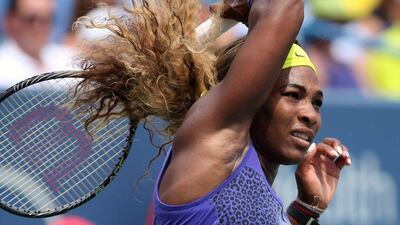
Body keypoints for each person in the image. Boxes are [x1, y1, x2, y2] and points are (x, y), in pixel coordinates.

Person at [74, 0, 352, 224]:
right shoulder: (214, 139)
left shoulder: (255, 188)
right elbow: (286, 6)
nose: (311, 115)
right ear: (251, 94)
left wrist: (305, 208)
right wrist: (250, 8)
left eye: (317, 103)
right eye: (292, 95)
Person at [0, 0, 77, 88]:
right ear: (11, 21)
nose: (40, 27)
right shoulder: (2, 69)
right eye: (31, 19)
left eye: (47, 19)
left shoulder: (71, 58)